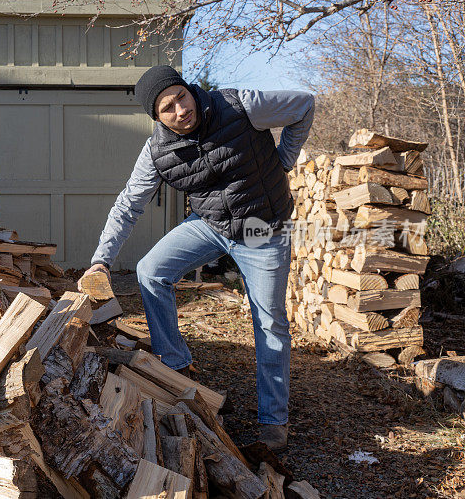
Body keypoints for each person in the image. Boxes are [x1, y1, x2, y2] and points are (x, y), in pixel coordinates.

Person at [78, 65, 314, 452]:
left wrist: (283, 161)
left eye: (181, 97)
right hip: (212, 223)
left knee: (269, 322)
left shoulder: (240, 105)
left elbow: (304, 105)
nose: (180, 110)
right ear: (157, 118)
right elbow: (128, 205)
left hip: (262, 229)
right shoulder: (158, 151)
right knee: (151, 271)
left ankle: (274, 424)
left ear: (189, 91)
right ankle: (175, 363)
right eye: (166, 108)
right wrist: (100, 260)